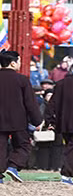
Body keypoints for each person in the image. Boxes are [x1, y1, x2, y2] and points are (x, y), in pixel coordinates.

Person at [0, 51, 43, 183]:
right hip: (18, 119)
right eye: (18, 61)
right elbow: (30, 102)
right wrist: (38, 120)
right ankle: (13, 166)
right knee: (24, 145)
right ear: (13, 63)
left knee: (0, 147)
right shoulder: (22, 80)